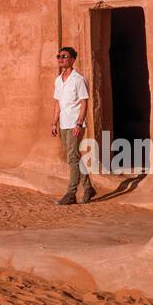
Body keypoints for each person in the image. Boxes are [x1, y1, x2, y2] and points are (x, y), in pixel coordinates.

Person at [51, 46, 95, 205]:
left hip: (76, 123)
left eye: (64, 56)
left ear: (72, 59)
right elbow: (57, 103)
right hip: (63, 123)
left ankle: (71, 193)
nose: (60, 59)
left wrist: (79, 123)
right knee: (74, 156)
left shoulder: (78, 79)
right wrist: (54, 122)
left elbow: (84, 103)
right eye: (58, 56)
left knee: (72, 157)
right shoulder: (58, 80)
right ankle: (89, 188)